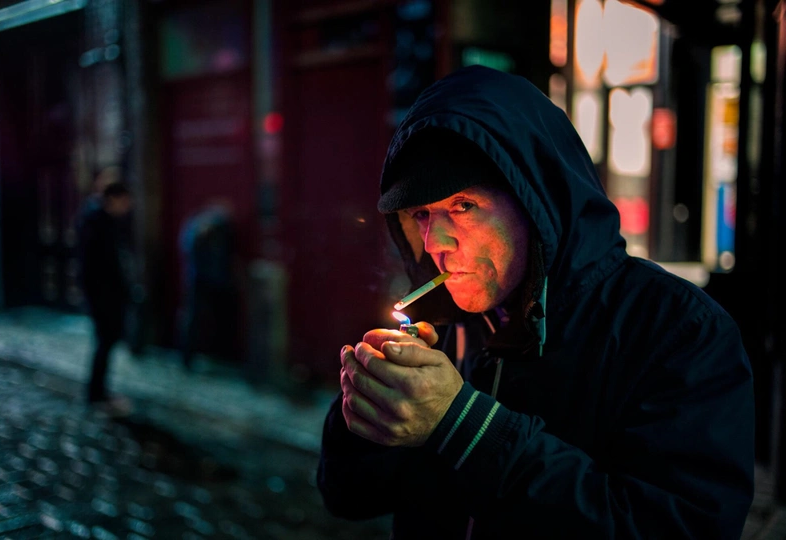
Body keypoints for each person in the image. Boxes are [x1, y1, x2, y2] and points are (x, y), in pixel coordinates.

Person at [317, 65, 754, 538]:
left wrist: (464, 425)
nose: (435, 242)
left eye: (463, 206)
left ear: (537, 200)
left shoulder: (679, 332)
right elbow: (349, 497)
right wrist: (366, 416)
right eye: (421, 214)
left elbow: (677, 528)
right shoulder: (440, 328)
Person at [77, 179, 134, 416]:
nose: (127, 207)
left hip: (109, 296)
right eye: (124, 201)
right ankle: (96, 393)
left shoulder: (107, 223)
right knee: (104, 342)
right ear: (113, 199)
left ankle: (99, 391)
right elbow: (94, 267)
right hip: (103, 297)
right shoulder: (97, 224)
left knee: (106, 343)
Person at [177, 201, 237, 370]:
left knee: (206, 318)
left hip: (208, 279)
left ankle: (206, 354)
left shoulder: (202, 227)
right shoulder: (204, 228)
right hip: (203, 280)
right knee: (196, 318)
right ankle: (190, 355)